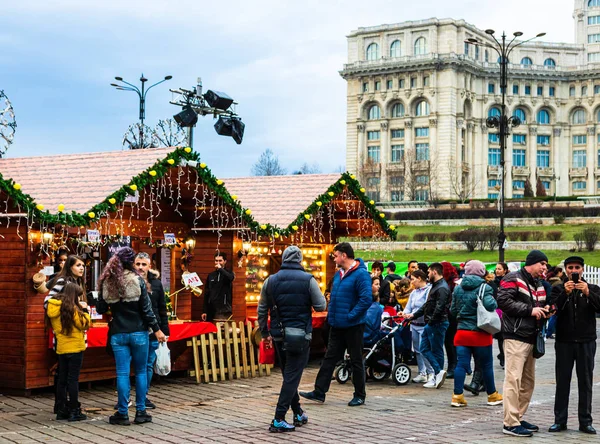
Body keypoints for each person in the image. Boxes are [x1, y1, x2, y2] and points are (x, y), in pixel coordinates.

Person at [257, 246, 326, 433]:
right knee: (292, 377)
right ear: (300, 260)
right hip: (300, 335)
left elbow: (262, 309)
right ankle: (279, 418)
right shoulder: (308, 280)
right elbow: (321, 305)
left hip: (278, 335)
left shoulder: (270, 281)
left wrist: (264, 333)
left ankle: (298, 412)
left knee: (289, 375)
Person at [96, 247, 167, 426]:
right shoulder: (137, 280)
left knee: (122, 373)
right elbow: (147, 310)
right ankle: (141, 411)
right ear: (131, 261)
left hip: (118, 332)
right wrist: (157, 329)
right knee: (141, 371)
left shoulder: (107, 281)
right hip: (139, 332)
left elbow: (101, 309)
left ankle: (122, 412)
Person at [300, 242, 372, 407]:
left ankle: (360, 395)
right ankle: (319, 391)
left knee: (355, 359)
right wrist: (331, 318)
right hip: (337, 324)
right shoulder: (340, 274)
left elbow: (366, 299)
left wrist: (350, 316)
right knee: (329, 358)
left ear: (344, 255)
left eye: (335, 255)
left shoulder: (361, 274)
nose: (334, 258)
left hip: (353, 325)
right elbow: (334, 298)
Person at [497, 250, 550, 437]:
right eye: (542, 263)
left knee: (528, 382)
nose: (545, 268)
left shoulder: (540, 284)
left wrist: (545, 311)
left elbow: (538, 307)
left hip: (531, 337)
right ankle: (510, 423)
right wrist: (530, 310)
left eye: (546, 265)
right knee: (513, 379)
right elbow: (503, 301)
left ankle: (517, 416)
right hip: (515, 336)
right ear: (532, 263)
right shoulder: (513, 278)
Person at [548, 256, 600, 435]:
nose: (573, 271)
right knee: (562, 381)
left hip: (586, 341)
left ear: (583, 269)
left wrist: (588, 293)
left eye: (577, 267)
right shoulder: (557, 289)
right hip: (564, 342)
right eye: (570, 267)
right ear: (566, 270)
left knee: (585, 382)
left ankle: (585, 421)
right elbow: (553, 309)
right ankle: (559, 420)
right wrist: (565, 293)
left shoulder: (592, 288)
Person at [449, 260, 503, 408]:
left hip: (461, 332)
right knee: (486, 365)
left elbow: (452, 311)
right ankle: (492, 395)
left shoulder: (458, 288)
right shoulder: (484, 287)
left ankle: (457, 396)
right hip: (480, 333)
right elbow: (491, 305)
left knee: (461, 364)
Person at [44, 254, 86, 414]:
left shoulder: (75, 281)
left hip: (65, 332)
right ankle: (64, 404)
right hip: (65, 331)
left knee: (63, 372)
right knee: (65, 373)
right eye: (78, 265)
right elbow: (47, 301)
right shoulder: (63, 281)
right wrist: (72, 309)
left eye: (82, 265)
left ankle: (62, 404)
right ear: (70, 267)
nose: (81, 268)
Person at [46, 282, 90, 421]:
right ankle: (74, 410)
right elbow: (83, 325)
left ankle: (61, 409)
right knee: (73, 380)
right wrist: (86, 311)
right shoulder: (73, 309)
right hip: (75, 347)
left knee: (62, 380)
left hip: (61, 347)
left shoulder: (53, 307)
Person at [134, 252, 170, 410]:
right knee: (133, 364)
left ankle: (143, 396)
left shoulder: (156, 284)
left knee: (148, 364)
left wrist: (164, 329)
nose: (140, 267)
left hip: (154, 329)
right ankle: (127, 396)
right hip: (135, 328)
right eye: (138, 264)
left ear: (149, 266)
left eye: (143, 264)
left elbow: (162, 307)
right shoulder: (130, 281)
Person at [405, 263, 450, 389]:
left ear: (435, 272)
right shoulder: (436, 286)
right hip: (432, 322)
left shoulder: (441, 288)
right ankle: (438, 372)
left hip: (437, 323)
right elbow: (427, 305)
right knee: (424, 348)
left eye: (429, 272)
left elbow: (439, 307)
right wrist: (413, 316)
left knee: (435, 350)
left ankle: (436, 374)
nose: (427, 274)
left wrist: (430, 322)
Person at [401, 270, 433, 384]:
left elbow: (426, 307)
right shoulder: (414, 293)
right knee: (417, 350)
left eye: (413, 279)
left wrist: (413, 314)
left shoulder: (429, 290)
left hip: (424, 325)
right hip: (413, 324)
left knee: (425, 349)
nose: (411, 282)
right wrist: (404, 313)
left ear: (419, 278)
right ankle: (422, 372)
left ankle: (431, 373)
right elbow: (409, 306)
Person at [202, 252, 235, 322]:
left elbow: (231, 278)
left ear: (225, 261)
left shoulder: (229, 273)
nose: (218, 262)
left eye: (220, 260)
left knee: (223, 331)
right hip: (211, 309)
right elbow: (206, 293)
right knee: (211, 331)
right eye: (216, 260)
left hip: (224, 309)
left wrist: (220, 269)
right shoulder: (211, 275)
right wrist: (204, 311)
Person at [441, 261, 458, 379]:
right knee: (449, 342)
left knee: (450, 341)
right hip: (448, 315)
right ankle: (454, 365)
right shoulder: (446, 282)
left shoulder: (454, 283)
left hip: (452, 316)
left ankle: (453, 366)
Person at [364, 277, 384, 345]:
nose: (379, 286)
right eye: (376, 284)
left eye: (379, 284)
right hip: (369, 336)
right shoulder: (375, 306)